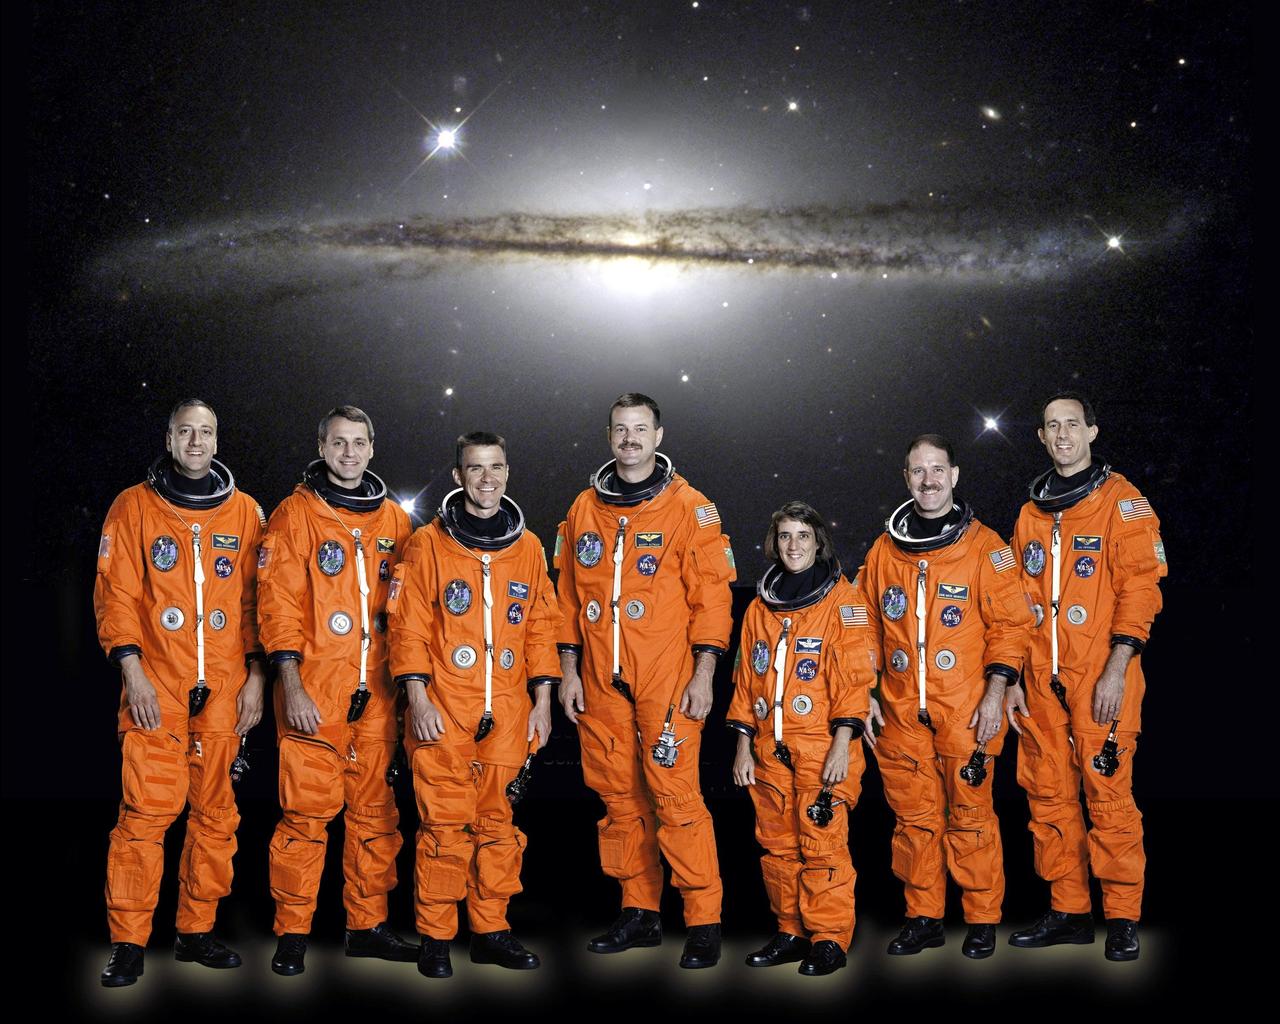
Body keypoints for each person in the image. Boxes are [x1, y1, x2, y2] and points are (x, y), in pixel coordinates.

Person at [555, 393, 737, 969]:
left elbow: (712, 600)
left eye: (640, 429)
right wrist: (567, 672)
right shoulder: (584, 508)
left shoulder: (691, 508)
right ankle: (639, 911)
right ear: (608, 436)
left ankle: (703, 919)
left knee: (676, 798)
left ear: (659, 436)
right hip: (599, 680)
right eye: (620, 429)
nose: (629, 439)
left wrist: (705, 674)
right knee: (618, 798)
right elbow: (563, 599)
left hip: (668, 678)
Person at [95, 398, 267, 987]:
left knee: (216, 816)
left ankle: (196, 930)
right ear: (169, 439)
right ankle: (129, 941)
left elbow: (256, 606)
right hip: (157, 685)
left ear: (218, 442)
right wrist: (132, 672)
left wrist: (257, 680)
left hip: (224, 687)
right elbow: (115, 595)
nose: (197, 441)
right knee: (145, 816)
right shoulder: (133, 507)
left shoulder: (245, 512)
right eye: (186, 432)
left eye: (207, 433)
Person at [387, 432, 561, 979]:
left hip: (509, 709)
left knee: (497, 826)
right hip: (444, 705)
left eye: (496, 468)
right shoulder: (427, 544)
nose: (487, 479)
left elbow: (540, 626)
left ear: (507, 473)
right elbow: (407, 627)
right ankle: (437, 936)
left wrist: (544, 700)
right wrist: (417, 698)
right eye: (475, 468)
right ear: (458, 476)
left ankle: (490, 929)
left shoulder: (528, 547)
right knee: (444, 826)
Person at [859, 434, 1034, 959]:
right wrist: (863, 690)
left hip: (965, 705)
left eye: (938, 470)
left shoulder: (987, 547)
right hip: (899, 709)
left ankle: (981, 917)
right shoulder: (884, 549)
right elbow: (861, 624)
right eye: (918, 471)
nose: (928, 480)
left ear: (955, 476)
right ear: (906, 478)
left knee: (971, 814)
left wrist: (996, 690)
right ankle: (924, 916)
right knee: (914, 820)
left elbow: (1011, 624)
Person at [1005, 392, 1166, 962]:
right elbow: (1019, 602)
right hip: (1040, 677)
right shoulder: (1029, 514)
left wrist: (1117, 668)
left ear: (1092, 432)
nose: (1063, 434)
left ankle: (1121, 916)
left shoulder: (1123, 503)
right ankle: (1069, 910)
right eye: (1052, 426)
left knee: (1107, 795)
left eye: (1072, 424)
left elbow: (1142, 588)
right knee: (1048, 795)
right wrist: (1017, 676)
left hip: (1100, 673)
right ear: (1042, 438)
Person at [257, 405, 417, 975]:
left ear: (372, 448)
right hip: (314, 692)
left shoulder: (396, 523)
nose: (349, 453)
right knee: (305, 816)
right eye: (338, 443)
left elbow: (412, 613)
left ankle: (367, 925)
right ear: (321, 446)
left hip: (376, 695)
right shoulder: (293, 516)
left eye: (359, 443)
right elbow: (276, 607)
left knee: (375, 816)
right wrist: (291, 685)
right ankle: (293, 933)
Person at [727, 501, 877, 976]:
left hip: (822, 745)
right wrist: (742, 745)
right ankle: (791, 929)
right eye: (786, 536)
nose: (794, 546)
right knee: (778, 845)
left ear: (818, 543)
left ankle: (829, 938)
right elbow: (745, 683)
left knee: (822, 844)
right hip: (770, 747)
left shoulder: (844, 603)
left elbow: (856, 681)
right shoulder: (759, 607)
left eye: (803, 537)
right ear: (776, 543)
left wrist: (842, 744)